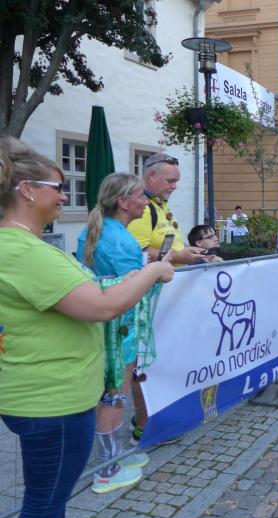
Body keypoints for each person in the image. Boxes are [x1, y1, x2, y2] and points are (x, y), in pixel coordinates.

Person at [0, 137, 174, 518]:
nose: (65, 196)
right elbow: (101, 306)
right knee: (44, 508)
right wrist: (152, 271)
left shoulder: (24, 244)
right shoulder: (25, 251)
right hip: (52, 399)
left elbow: (84, 292)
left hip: (48, 394)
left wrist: (124, 280)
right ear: (27, 190)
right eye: (58, 187)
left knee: (49, 503)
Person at [77, 173, 153, 494]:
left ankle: (115, 455)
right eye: (141, 195)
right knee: (113, 397)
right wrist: (155, 274)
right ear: (123, 202)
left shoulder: (94, 230)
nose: (146, 201)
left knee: (111, 395)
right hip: (119, 330)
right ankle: (107, 469)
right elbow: (129, 290)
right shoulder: (121, 240)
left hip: (103, 327)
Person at [127, 152, 206, 444]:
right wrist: (181, 255)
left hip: (167, 297)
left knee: (159, 359)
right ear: (151, 176)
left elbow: (166, 247)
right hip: (148, 298)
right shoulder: (143, 209)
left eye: (177, 181)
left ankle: (153, 415)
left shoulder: (160, 207)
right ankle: (143, 426)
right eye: (170, 181)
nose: (175, 186)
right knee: (144, 362)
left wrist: (187, 253)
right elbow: (136, 252)